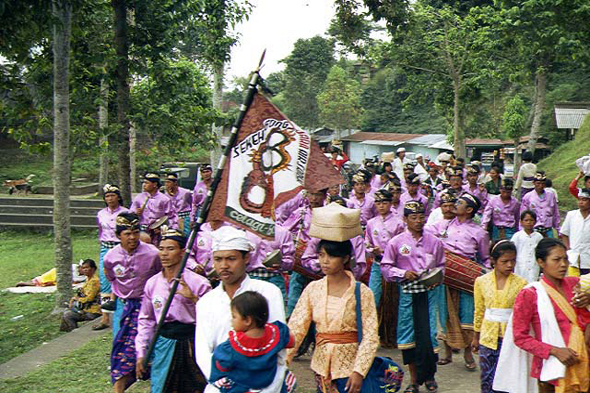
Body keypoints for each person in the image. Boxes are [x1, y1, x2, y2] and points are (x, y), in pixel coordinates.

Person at [195, 226, 291, 393]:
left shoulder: (268, 292)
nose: (224, 265)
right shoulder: (206, 302)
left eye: (231, 259)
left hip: (266, 384)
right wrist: (222, 385)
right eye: (218, 259)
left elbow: (279, 349)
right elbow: (203, 352)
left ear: (246, 258)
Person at [494, 238, 590, 393]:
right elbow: (519, 337)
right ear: (541, 262)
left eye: (565, 259)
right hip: (551, 369)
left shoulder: (575, 285)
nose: (563, 264)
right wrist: (555, 351)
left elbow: (584, 320)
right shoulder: (530, 294)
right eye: (556, 260)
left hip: (583, 361)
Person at [287, 239, 379, 393]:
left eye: (331, 256)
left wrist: (359, 371)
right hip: (321, 366)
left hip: (350, 366)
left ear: (345, 258)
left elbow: (371, 335)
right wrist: (283, 361)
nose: (325, 261)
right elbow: (296, 327)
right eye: (321, 255)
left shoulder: (362, 292)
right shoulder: (313, 289)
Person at [135, 228, 211, 393]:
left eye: (170, 249)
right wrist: (141, 351)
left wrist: (192, 299)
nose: (164, 254)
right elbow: (146, 319)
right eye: (161, 249)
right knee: (162, 387)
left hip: (193, 342)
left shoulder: (199, 283)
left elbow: (213, 318)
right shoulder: (152, 284)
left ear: (182, 252)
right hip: (165, 342)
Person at [381, 201, 446, 393]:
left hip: (428, 292)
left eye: (421, 217)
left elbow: (441, 265)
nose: (418, 221)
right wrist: (403, 273)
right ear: (405, 219)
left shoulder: (434, 241)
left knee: (429, 333)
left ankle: (430, 376)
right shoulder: (397, 242)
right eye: (413, 217)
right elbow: (386, 267)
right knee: (408, 334)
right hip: (408, 292)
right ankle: (414, 380)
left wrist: (436, 278)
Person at [104, 212, 162, 393]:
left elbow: (161, 277)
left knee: (150, 347)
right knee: (121, 349)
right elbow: (111, 278)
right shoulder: (110, 257)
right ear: (118, 235)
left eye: (135, 232)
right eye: (127, 233)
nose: (132, 237)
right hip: (124, 306)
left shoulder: (153, 253)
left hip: (148, 305)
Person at [437, 194, 490, 371]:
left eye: (459, 203)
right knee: (446, 312)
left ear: (468, 210)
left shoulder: (479, 232)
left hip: (467, 276)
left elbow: (485, 258)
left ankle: (468, 352)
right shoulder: (443, 225)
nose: (454, 204)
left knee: (467, 315)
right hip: (447, 274)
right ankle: (448, 353)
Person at [209, 291, 294, 393]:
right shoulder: (277, 333)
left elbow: (220, 367)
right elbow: (291, 342)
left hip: (241, 388)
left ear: (247, 320)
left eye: (234, 316)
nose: (231, 321)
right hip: (270, 383)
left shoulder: (231, 347)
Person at [471, 241, 527, 393]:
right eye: (504, 261)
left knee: (507, 376)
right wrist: (476, 336)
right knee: (487, 376)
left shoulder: (521, 283)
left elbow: (523, 313)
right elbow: (479, 310)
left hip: (510, 337)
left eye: (513, 261)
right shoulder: (481, 281)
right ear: (493, 261)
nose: (509, 265)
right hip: (488, 336)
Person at [281, 187, 327, 318]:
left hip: (321, 260)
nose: (313, 199)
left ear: (324, 196)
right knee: (294, 295)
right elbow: (284, 229)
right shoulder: (301, 213)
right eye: (311, 194)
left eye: (317, 195)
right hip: (301, 261)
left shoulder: (329, 214)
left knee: (319, 299)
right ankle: (292, 323)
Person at [94, 184, 129, 330]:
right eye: (107, 196)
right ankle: (105, 317)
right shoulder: (101, 213)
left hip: (119, 247)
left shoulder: (126, 212)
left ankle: (123, 311)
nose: (110, 198)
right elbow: (100, 230)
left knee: (122, 276)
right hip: (105, 247)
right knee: (105, 279)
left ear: (118, 197)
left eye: (112, 195)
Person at [365, 190, 405, 308]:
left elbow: (403, 244)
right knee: (373, 296)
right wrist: (372, 250)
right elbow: (367, 242)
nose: (381, 206)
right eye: (378, 203)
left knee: (395, 298)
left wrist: (387, 251)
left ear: (390, 203)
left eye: (384, 203)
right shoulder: (371, 223)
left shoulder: (399, 223)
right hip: (377, 263)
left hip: (395, 264)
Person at [130, 172, 177, 245]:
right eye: (144, 183)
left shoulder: (164, 199)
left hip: (158, 232)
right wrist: (136, 213)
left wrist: (164, 228)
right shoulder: (139, 198)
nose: (144, 185)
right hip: (142, 231)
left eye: (147, 183)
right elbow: (131, 214)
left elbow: (171, 217)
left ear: (155, 184)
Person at [59, 259, 102, 332]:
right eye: (83, 268)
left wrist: (77, 299)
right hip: (86, 308)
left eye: (86, 268)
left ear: (93, 269)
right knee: (67, 312)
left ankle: (74, 333)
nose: (84, 270)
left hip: (93, 311)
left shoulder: (94, 281)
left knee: (68, 315)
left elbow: (89, 298)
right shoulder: (88, 280)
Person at [559, 188, 590, 275]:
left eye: (584, 200)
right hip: (573, 257)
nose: (581, 202)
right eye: (579, 199)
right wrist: (568, 249)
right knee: (572, 284)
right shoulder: (571, 215)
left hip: (587, 259)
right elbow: (564, 234)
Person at [520, 171, 560, 238]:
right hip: (534, 230)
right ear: (534, 183)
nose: (540, 186)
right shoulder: (528, 197)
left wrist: (558, 229)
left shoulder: (551, 195)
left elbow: (555, 213)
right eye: (538, 183)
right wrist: (522, 230)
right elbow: (522, 214)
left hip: (547, 230)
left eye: (543, 184)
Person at [511, 210, 544, 283]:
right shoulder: (517, 236)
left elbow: (541, 251)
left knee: (532, 282)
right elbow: (512, 251)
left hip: (533, 264)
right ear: (521, 222)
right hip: (520, 264)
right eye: (526, 220)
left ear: (535, 222)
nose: (529, 222)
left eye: (531, 220)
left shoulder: (538, 237)